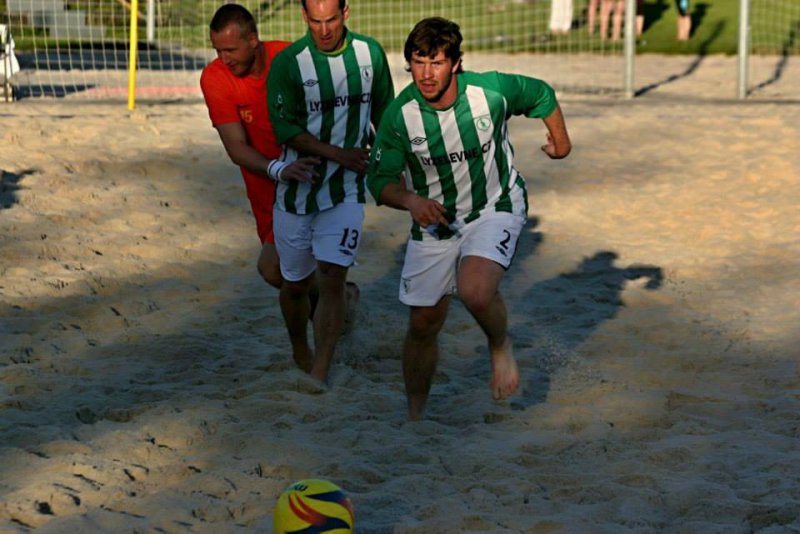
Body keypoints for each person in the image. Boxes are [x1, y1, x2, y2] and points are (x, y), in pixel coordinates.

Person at [366, 17, 571, 420]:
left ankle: (498, 345)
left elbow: (542, 94)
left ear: (456, 63)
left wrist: (561, 142)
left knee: (475, 289)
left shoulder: (489, 91)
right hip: (434, 221)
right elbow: (380, 180)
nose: (426, 73)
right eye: (418, 62)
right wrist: (409, 199)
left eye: (437, 63)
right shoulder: (398, 115)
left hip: (495, 205)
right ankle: (415, 418)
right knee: (424, 321)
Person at [267, 0, 394, 382]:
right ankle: (299, 347)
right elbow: (284, 129)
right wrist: (338, 153)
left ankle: (321, 370)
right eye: (316, 21)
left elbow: (385, 112)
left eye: (332, 20)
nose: (324, 30)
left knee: (332, 276)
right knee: (294, 285)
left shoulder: (369, 53)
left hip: (347, 190)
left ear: (346, 13)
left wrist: (392, 163)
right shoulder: (289, 63)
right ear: (304, 17)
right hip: (297, 192)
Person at [200, 3, 318, 290]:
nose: (223, 59)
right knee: (274, 269)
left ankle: (333, 306)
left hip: (313, 173)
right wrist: (280, 169)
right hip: (268, 183)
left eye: (230, 50)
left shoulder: (293, 59)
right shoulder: (215, 77)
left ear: (253, 40)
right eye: (218, 50)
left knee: (324, 264)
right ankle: (338, 299)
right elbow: (235, 148)